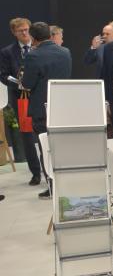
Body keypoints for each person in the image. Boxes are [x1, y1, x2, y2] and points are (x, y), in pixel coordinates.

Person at [20, 21, 72, 199]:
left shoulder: (33, 56)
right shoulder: (65, 52)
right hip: (63, 106)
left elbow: (27, 83)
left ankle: (52, 187)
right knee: (63, 148)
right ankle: (67, 185)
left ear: (33, 37)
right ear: (50, 35)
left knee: (46, 149)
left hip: (42, 110)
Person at [0, 17, 41, 186]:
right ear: (14, 33)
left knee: (44, 134)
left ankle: (49, 170)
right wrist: (18, 84)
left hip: (40, 96)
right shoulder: (7, 52)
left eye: (26, 29)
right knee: (27, 136)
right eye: (20, 31)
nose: (24, 33)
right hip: (20, 99)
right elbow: (3, 75)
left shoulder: (39, 47)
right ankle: (36, 173)